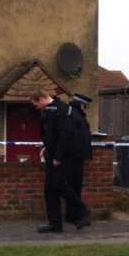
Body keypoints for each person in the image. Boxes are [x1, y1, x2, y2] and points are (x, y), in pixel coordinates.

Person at [30, 88, 86, 233]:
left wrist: (57, 157)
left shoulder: (59, 110)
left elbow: (64, 135)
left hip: (59, 157)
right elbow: (51, 135)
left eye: (36, 104)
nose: (36, 107)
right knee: (50, 189)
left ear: (41, 99)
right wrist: (46, 148)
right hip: (52, 154)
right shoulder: (51, 110)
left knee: (59, 186)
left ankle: (82, 211)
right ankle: (55, 224)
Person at [64, 93, 94, 229]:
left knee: (74, 187)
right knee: (72, 187)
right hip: (73, 157)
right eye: (85, 106)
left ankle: (72, 215)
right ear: (80, 105)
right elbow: (73, 137)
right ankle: (79, 214)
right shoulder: (73, 116)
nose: (86, 109)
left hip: (76, 156)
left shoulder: (76, 116)